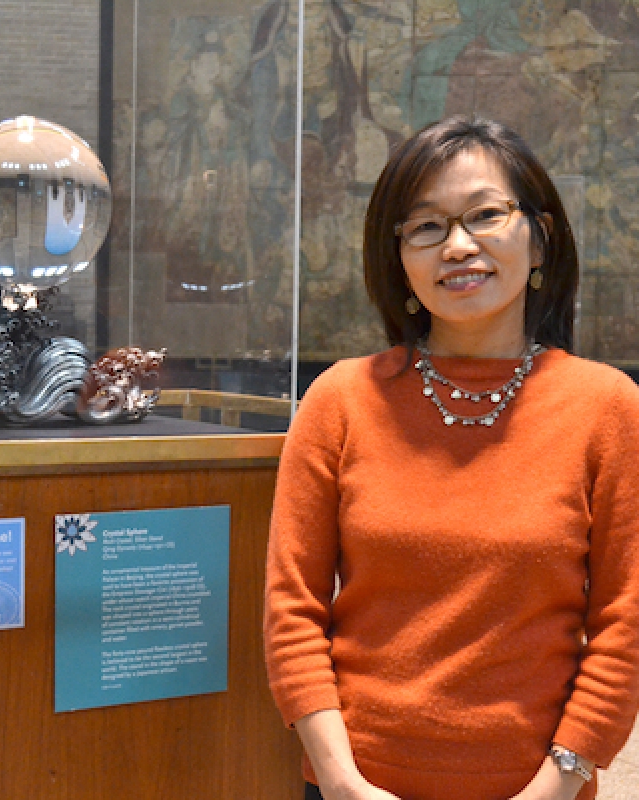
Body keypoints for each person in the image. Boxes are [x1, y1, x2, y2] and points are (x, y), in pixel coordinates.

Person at [263, 115, 639, 800]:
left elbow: (625, 625)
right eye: (427, 227)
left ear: (541, 238)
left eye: (485, 215)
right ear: (399, 256)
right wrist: (344, 784)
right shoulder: (340, 399)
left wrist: (555, 787)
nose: (458, 246)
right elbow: (292, 612)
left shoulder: (606, 406)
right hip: (356, 788)